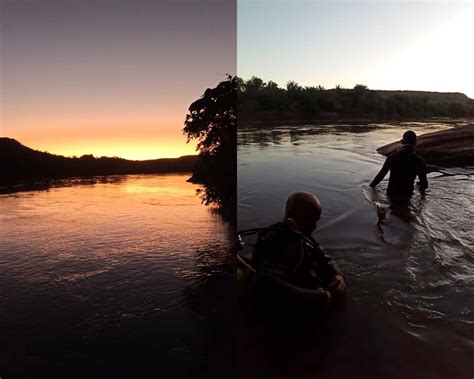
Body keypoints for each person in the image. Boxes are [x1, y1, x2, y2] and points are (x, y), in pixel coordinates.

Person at [251, 192, 346, 309]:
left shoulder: (300, 234)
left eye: (316, 220)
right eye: (309, 220)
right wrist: (320, 297)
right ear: (290, 214)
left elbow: (322, 256)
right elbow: (266, 283)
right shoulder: (282, 243)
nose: (314, 226)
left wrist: (338, 275)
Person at [370, 130, 428, 197]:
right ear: (415, 143)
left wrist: (370, 188)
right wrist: (421, 192)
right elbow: (424, 185)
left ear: (402, 142)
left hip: (391, 193)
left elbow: (380, 177)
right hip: (407, 194)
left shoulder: (392, 157)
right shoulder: (419, 161)